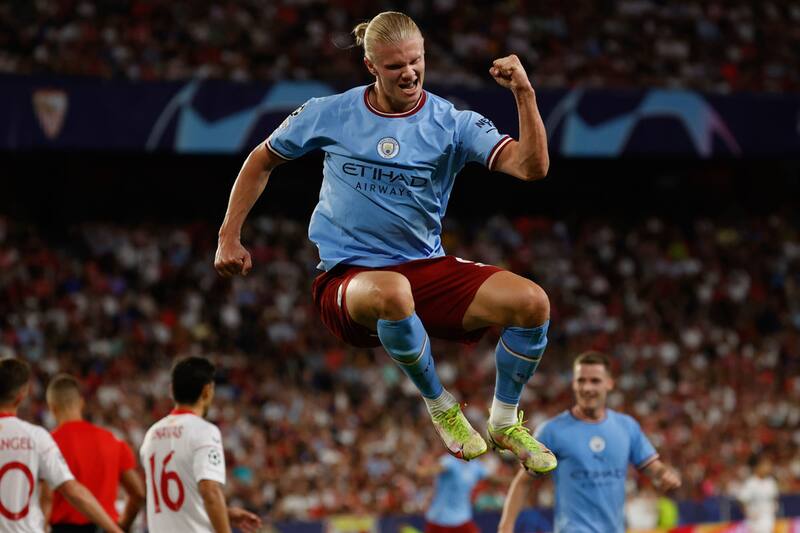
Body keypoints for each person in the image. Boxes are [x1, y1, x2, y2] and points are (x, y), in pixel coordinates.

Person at [214, 10, 555, 473]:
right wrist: (228, 236)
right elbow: (261, 160)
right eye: (395, 66)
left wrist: (524, 93)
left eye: (416, 61)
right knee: (393, 290)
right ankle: (441, 407)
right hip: (348, 278)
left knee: (533, 303)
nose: (409, 72)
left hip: (424, 267)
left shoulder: (451, 122)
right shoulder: (329, 112)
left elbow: (531, 167)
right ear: (371, 66)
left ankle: (503, 420)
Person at [498, 351, 682, 533]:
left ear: (610, 383)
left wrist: (665, 474)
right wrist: (506, 526)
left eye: (595, 381)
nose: (587, 388)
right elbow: (523, 482)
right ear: (574, 384)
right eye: (581, 380)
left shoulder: (627, 427)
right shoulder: (552, 431)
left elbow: (653, 467)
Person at [0, 358, 124, 533]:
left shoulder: (46, 437)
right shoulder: (36, 437)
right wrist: (116, 530)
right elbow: (71, 490)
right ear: (23, 394)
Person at [139, 357, 261, 533]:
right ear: (207, 391)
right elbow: (210, 491)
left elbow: (174, 500)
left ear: (171, 390)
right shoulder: (204, 431)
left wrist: (225, 514)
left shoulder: (152, 434)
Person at [43, 373, 145, 533]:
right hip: (105, 528)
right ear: (81, 403)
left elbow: (46, 497)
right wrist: (122, 525)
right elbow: (138, 493)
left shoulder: (47, 444)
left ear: (52, 407)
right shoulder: (113, 440)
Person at [419, 453, 488, 533]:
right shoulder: (449, 461)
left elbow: (492, 478)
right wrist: (424, 471)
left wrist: (506, 482)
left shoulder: (476, 465)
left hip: (462, 518)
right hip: (440, 519)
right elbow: (435, 469)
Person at [737, 456, 779, 533]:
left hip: (768, 517)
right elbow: (742, 500)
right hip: (755, 519)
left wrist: (775, 505)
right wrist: (748, 512)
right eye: (765, 465)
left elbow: (774, 496)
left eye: (768, 465)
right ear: (757, 467)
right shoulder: (750, 483)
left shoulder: (771, 482)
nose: (768, 468)